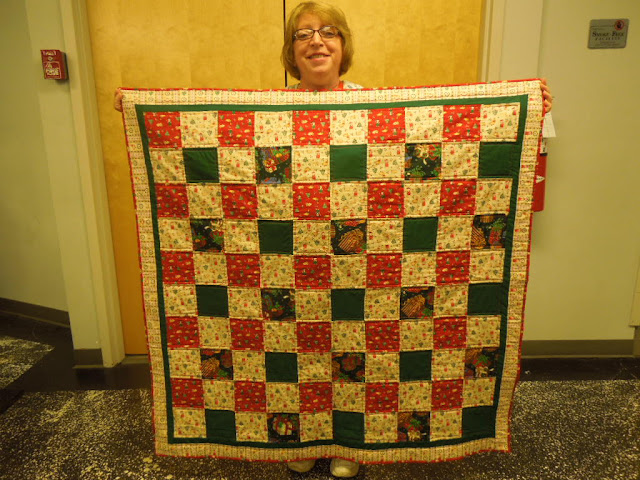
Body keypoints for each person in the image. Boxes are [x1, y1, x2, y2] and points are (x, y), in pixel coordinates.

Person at [113, 2, 552, 477]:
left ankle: (352, 442)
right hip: (289, 269)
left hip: (363, 270)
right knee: (289, 349)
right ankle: (298, 436)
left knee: (361, 349)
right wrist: (140, 114)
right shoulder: (271, 110)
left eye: (327, 32)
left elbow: (441, 140)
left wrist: (527, 108)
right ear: (292, 51)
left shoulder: (374, 108)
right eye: (303, 35)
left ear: (343, 46)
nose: (316, 42)